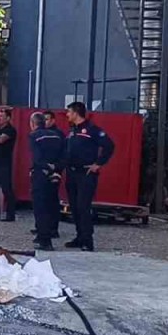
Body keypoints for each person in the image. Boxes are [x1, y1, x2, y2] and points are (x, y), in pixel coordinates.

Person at [63, 102, 115, 251]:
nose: (67, 115)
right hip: (72, 173)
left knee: (83, 206)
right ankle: (79, 237)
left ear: (75, 113)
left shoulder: (92, 130)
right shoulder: (72, 131)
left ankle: (87, 240)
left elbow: (109, 146)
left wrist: (98, 163)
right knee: (74, 207)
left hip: (85, 174)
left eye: (69, 112)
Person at [27, 112, 65, 250]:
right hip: (55, 173)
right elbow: (64, 154)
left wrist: (45, 167)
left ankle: (44, 240)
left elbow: (37, 157)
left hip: (41, 173)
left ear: (33, 123)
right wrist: (56, 167)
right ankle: (52, 230)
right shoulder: (57, 135)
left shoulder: (34, 136)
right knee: (52, 203)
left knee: (40, 207)